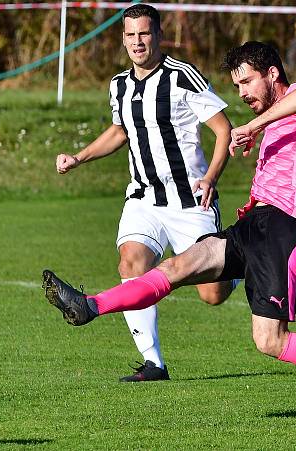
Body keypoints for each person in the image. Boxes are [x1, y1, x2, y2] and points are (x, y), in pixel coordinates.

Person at [43, 41, 296, 423]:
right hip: (251, 225)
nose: (241, 93)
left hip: (284, 230)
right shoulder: (294, 123)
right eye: (237, 85)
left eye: (246, 82)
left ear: (272, 74)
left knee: (269, 341)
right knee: (177, 267)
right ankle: (90, 305)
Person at [53, 4, 236, 382]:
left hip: (191, 201)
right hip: (144, 198)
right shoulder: (118, 84)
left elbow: (224, 129)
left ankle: (237, 264)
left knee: (212, 295)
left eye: (144, 33)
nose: (138, 42)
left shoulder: (183, 77)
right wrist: (80, 157)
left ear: (159, 35)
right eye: (130, 35)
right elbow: (120, 131)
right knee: (131, 262)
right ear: (124, 39)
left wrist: (213, 177)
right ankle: (154, 363)